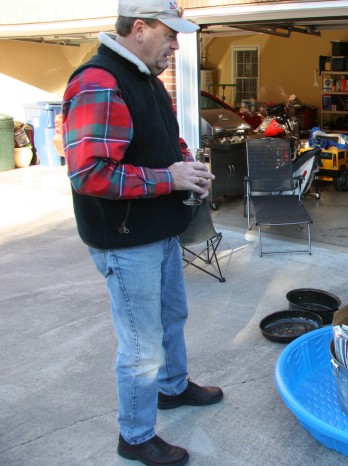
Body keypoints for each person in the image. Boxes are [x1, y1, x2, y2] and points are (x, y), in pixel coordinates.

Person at [62, 1, 221, 464]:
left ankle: (172, 388)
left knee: (173, 317)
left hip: (159, 229)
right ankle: (133, 435)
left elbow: (163, 141)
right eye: (169, 34)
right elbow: (89, 173)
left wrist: (185, 162)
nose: (176, 43)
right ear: (138, 29)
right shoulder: (98, 81)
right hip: (125, 239)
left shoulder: (147, 81)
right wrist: (168, 179)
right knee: (140, 346)